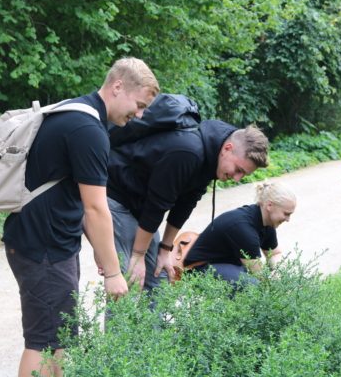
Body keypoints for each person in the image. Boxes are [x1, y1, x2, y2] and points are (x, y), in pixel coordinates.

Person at [2, 57, 159, 377]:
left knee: (60, 338)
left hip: (50, 243)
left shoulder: (77, 113)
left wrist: (103, 251)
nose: (140, 115)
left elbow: (72, 195)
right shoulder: (88, 130)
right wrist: (113, 273)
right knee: (43, 342)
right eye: (140, 105)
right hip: (43, 247)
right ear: (118, 87)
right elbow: (95, 207)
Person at [106, 103, 269, 291]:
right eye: (238, 169)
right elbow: (156, 206)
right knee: (131, 276)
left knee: (159, 276)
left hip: (140, 203)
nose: (237, 178)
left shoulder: (212, 158)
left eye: (244, 174)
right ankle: (120, 309)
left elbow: (185, 203)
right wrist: (138, 255)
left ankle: (154, 312)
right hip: (116, 193)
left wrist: (165, 249)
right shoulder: (189, 152)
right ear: (228, 148)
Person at [183, 181, 296, 285]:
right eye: (286, 214)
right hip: (199, 269)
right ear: (269, 206)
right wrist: (277, 282)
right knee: (255, 285)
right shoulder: (244, 228)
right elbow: (260, 275)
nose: (288, 219)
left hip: (228, 265)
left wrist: (279, 271)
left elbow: (275, 254)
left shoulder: (266, 222)